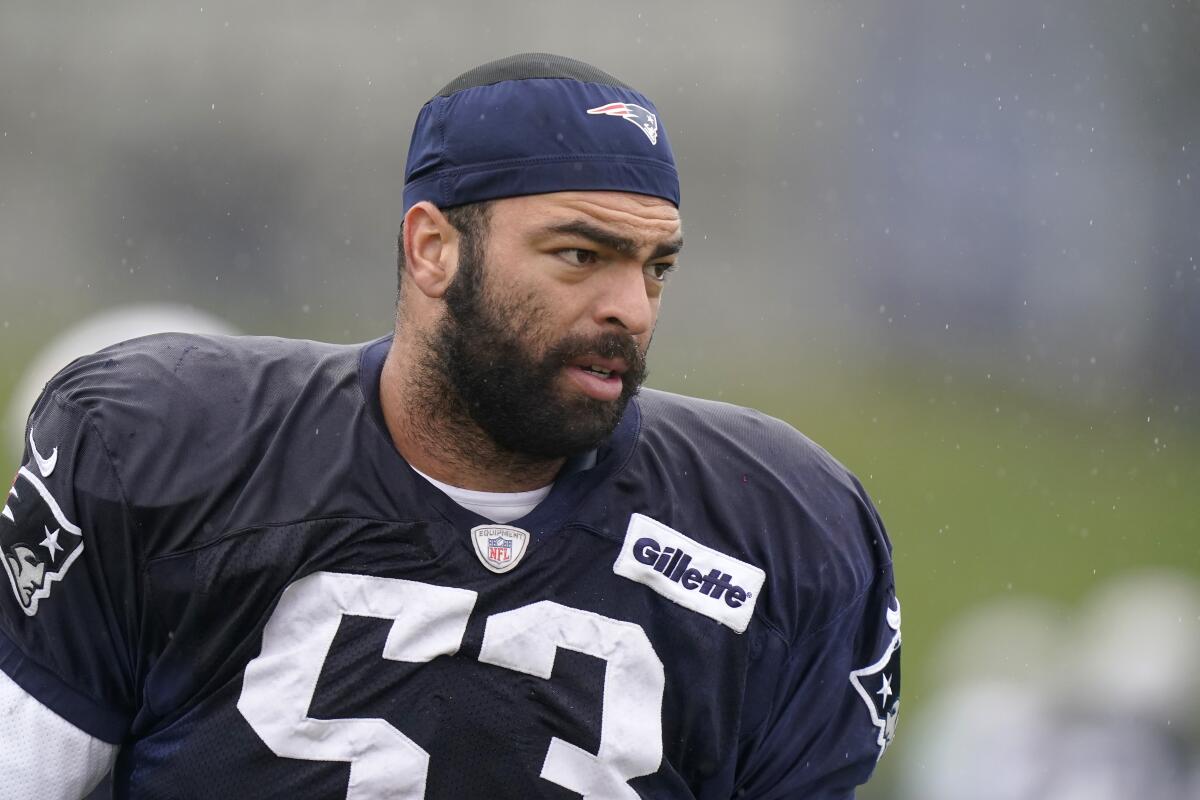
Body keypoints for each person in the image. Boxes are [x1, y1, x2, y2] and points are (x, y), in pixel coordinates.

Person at [0, 53, 900, 799]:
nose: (630, 306)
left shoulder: (781, 529)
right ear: (433, 248)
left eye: (655, 267)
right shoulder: (163, 448)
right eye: (580, 254)